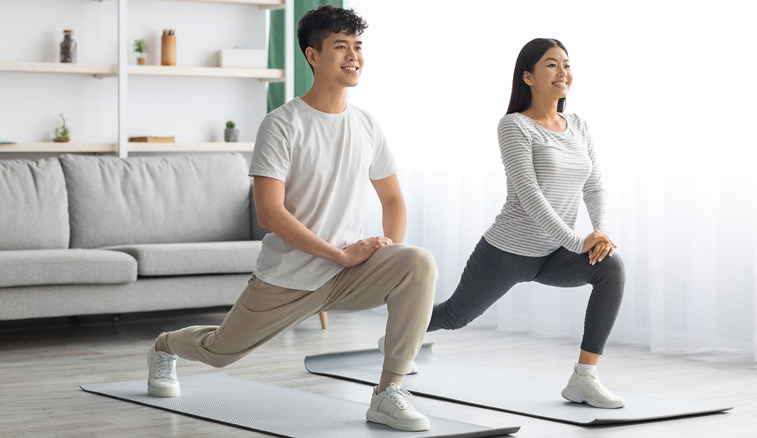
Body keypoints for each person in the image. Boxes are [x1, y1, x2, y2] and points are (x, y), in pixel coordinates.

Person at [145, 5, 437, 431]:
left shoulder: (367, 125)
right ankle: (165, 345)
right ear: (312, 56)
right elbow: (270, 213)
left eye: (358, 46)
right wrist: (339, 255)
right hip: (289, 278)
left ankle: (387, 392)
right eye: (341, 46)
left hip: (348, 274)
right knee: (220, 352)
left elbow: (393, 200)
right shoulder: (282, 124)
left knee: (417, 262)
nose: (353, 55)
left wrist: (384, 250)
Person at [426, 38, 626, 409]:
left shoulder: (578, 125)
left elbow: (594, 185)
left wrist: (600, 233)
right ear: (528, 76)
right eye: (552, 64)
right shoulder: (514, 126)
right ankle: (400, 333)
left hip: (554, 255)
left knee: (611, 268)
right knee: (454, 316)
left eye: (567, 64)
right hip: (508, 251)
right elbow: (530, 195)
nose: (562, 72)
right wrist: (577, 241)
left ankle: (584, 379)